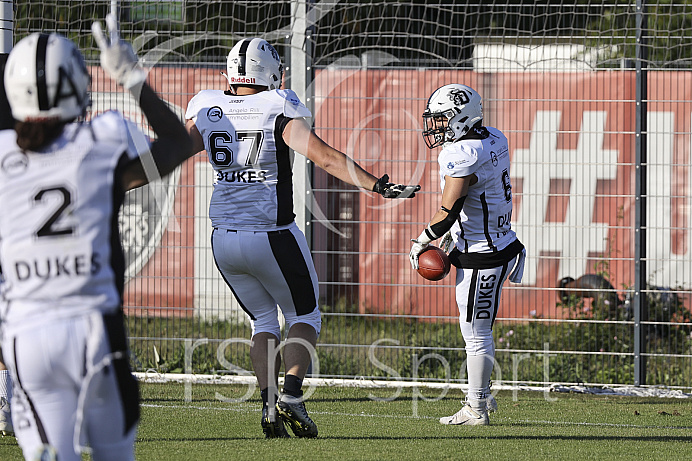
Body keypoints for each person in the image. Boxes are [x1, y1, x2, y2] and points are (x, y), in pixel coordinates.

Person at [185, 37, 419, 438]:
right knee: (304, 317)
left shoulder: (206, 106)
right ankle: (291, 394)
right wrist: (377, 185)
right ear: (271, 72)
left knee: (262, 320)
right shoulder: (279, 105)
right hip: (273, 234)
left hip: (222, 237)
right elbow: (324, 156)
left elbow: (169, 150)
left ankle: (268, 405)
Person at [0, 16, 194, 460]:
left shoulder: (4, 156)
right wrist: (131, 78)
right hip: (95, 330)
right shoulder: (102, 139)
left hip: (28, 333)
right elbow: (178, 147)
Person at [409, 84, 525, 426]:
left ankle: (476, 407)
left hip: (483, 254)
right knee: (478, 331)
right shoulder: (494, 137)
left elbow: (447, 211)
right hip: (498, 243)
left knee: (476, 333)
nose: (438, 127)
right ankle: (481, 393)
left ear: (461, 118)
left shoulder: (461, 154)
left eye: (443, 120)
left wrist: (420, 242)